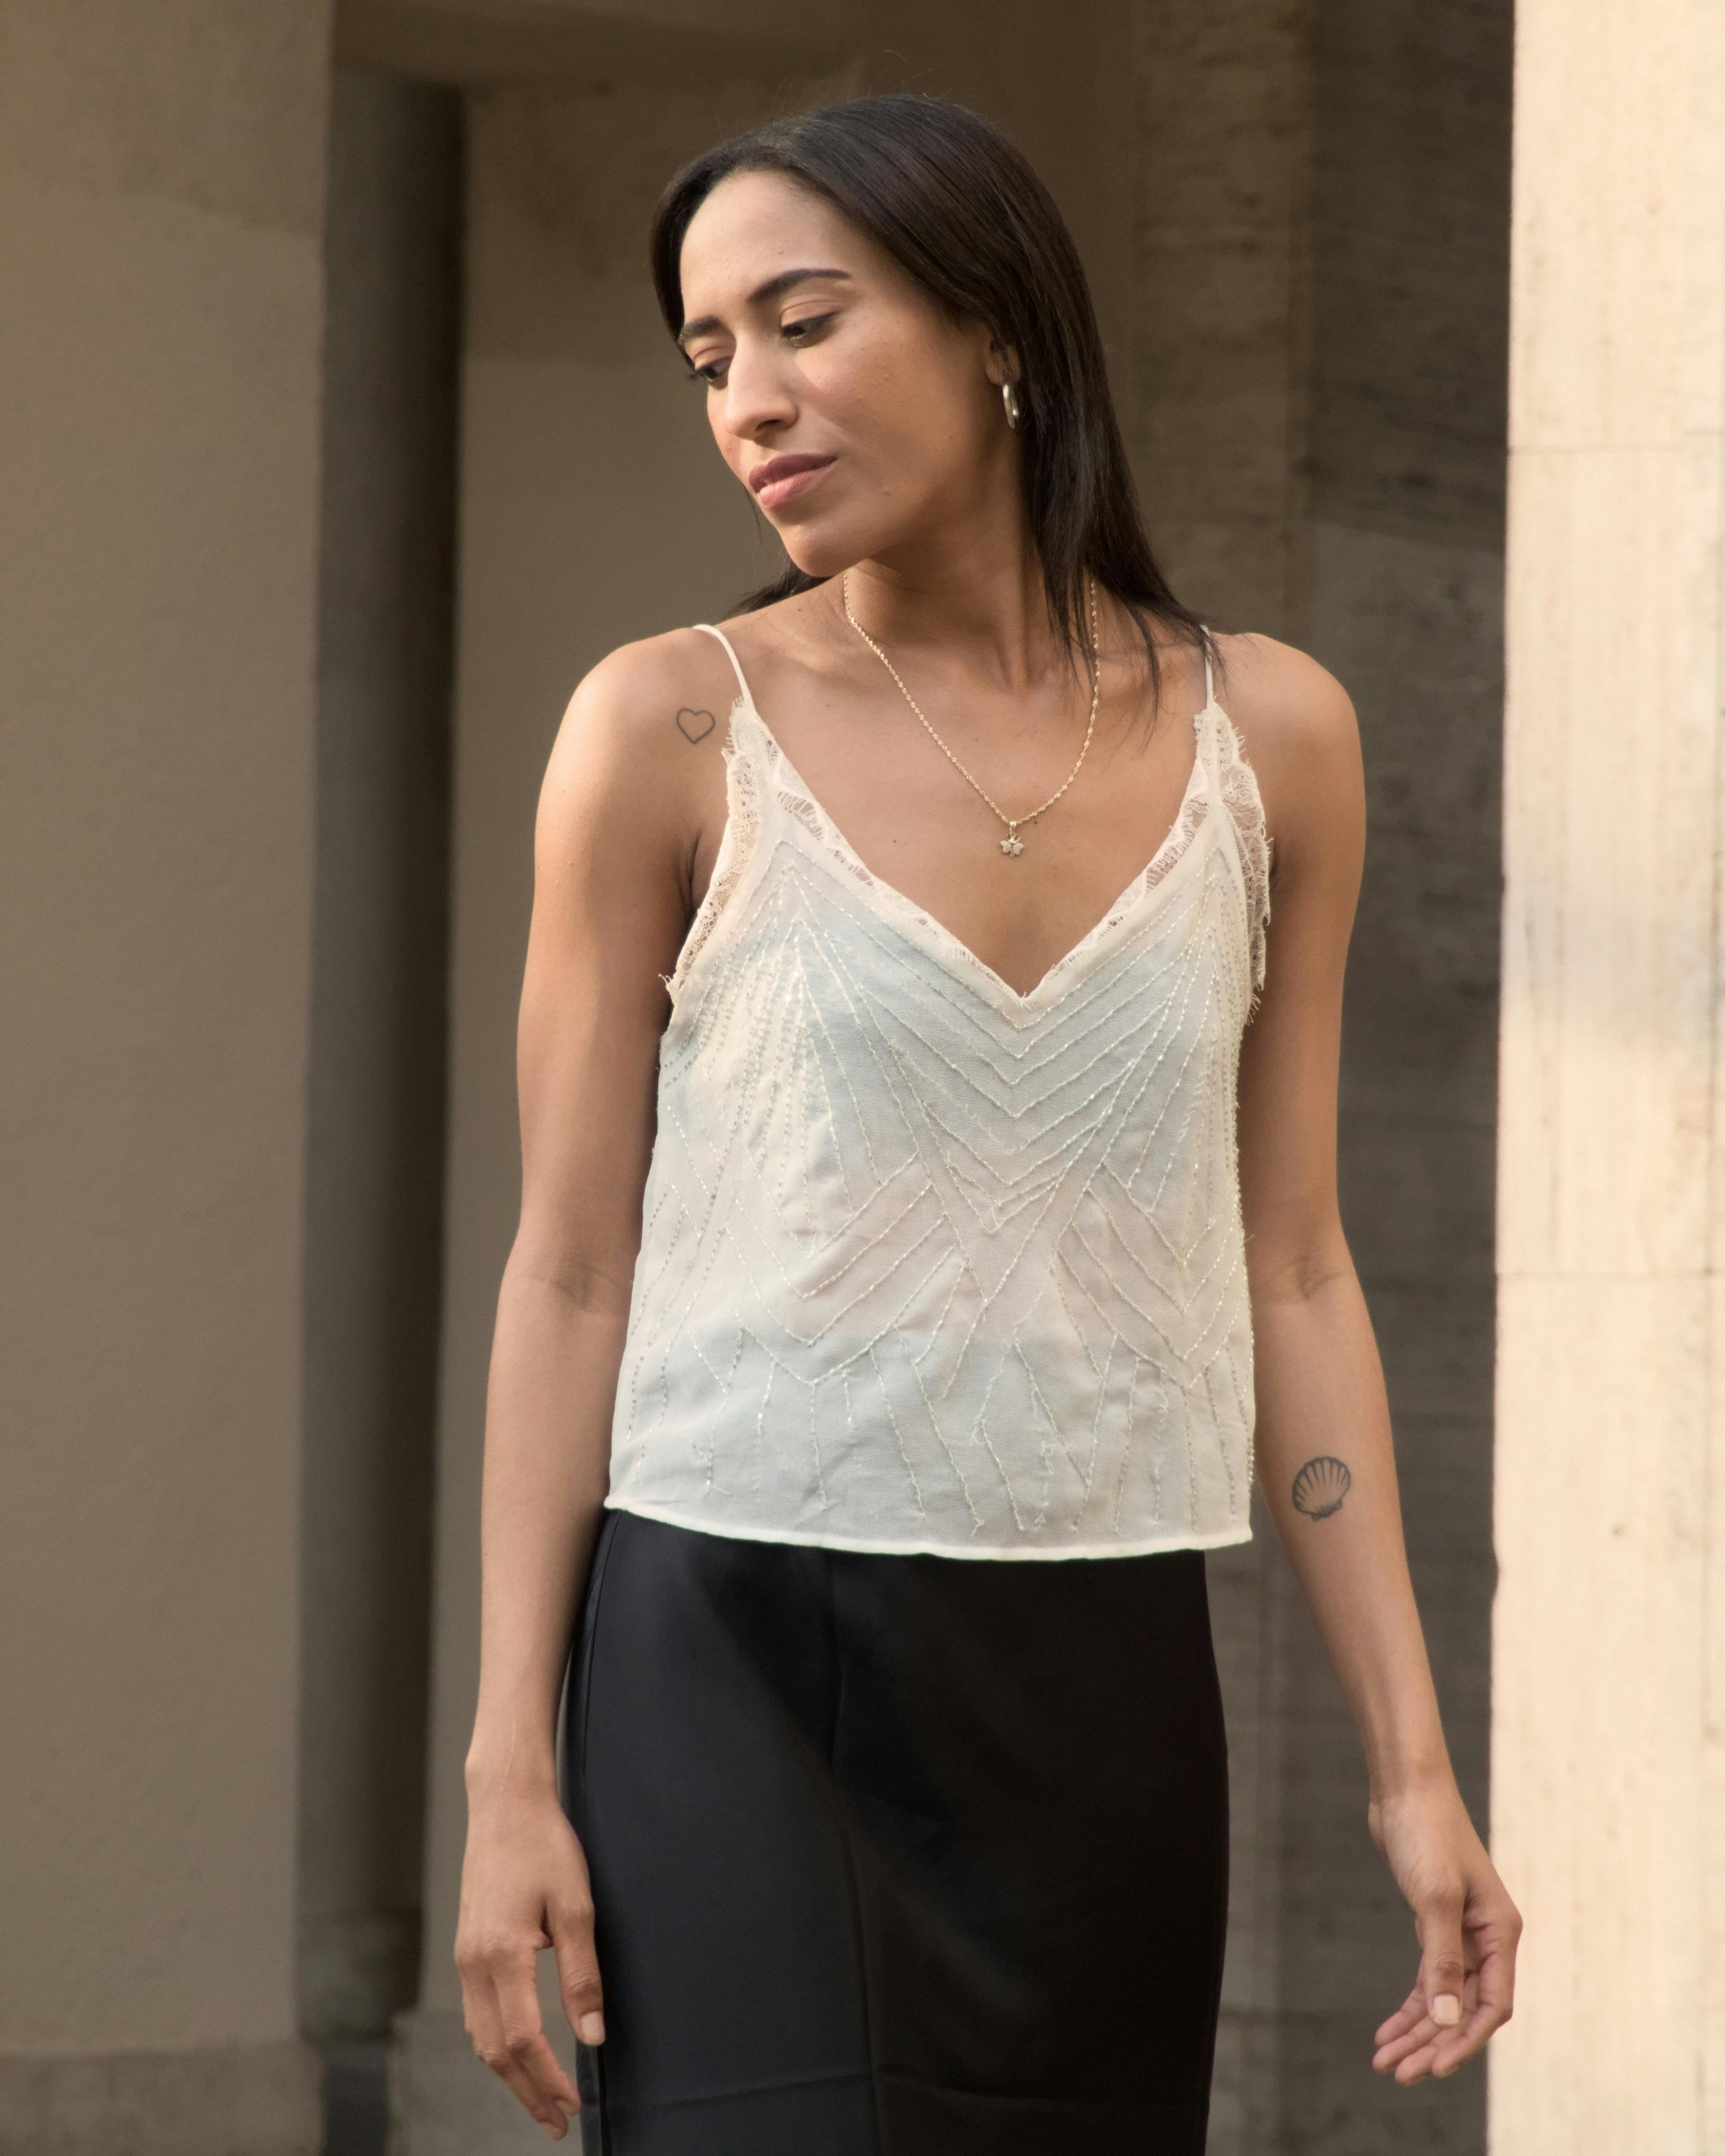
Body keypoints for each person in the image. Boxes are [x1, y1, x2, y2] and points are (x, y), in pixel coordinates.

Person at [451, 89, 1520, 2155]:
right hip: (726, 1646)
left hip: (1102, 1662)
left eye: (803, 323)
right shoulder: (667, 726)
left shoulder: (1272, 736)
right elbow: (570, 1270)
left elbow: (1291, 1263)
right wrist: (509, 1770)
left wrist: (1409, 1766)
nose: (749, 401)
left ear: (997, 329)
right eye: (708, 357)